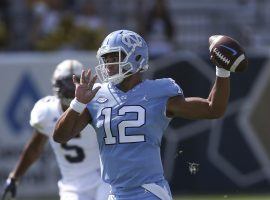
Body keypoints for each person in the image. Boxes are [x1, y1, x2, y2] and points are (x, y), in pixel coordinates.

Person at [53, 30, 231, 200]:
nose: (109, 65)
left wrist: (222, 71)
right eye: (106, 58)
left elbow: (212, 109)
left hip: (149, 191)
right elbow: (60, 136)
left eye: (115, 57)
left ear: (136, 57)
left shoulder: (158, 92)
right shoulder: (96, 96)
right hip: (115, 193)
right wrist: (77, 104)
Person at [1, 60, 110, 200]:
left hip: (103, 177)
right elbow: (35, 147)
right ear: (56, 85)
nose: (71, 88)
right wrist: (14, 176)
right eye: (66, 83)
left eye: (75, 82)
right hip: (72, 184)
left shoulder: (97, 105)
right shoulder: (47, 111)